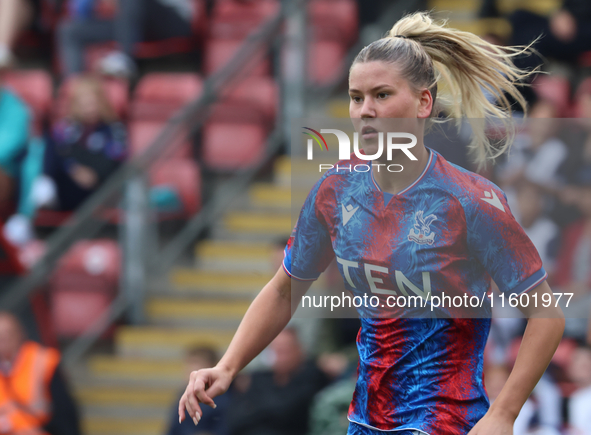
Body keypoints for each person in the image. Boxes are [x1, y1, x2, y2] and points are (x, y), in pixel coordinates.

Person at [179, 12, 565, 435]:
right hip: (364, 422)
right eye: (356, 97)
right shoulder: (337, 189)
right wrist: (228, 365)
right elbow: (285, 288)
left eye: (381, 95)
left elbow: (546, 315)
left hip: (445, 423)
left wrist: (503, 414)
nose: (365, 111)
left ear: (423, 103)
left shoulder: (471, 200)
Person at [32, 75, 127, 212]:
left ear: (102, 102)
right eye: (83, 103)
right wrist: (73, 168)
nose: (89, 108)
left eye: (92, 103)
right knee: (45, 145)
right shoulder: (65, 128)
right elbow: (53, 158)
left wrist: (76, 157)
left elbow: (114, 161)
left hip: (99, 188)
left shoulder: (114, 129)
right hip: (67, 187)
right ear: (75, 104)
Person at [225, 328, 331, 435]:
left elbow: (287, 411)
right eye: (276, 349)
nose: (280, 355)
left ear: (299, 350)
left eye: (285, 349)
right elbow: (235, 418)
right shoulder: (259, 378)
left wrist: (255, 409)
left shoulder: (312, 376)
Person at [57, 0, 196, 77]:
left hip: (172, 20)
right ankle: (74, 87)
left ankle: (125, 58)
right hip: (130, 25)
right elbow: (80, 10)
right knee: (70, 30)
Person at [0, 311, 81, 435]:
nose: (3, 340)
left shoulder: (41, 361)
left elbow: (64, 413)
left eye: (7, 334)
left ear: (20, 334)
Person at [167, 346, 230, 435]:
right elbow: (173, 429)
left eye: (197, 363)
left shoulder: (227, 398)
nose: (190, 370)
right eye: (189, 364)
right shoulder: (183, 397)